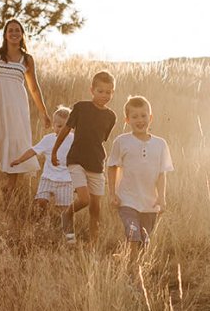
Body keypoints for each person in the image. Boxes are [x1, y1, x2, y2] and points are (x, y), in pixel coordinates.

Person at [0, 18, 51, 192]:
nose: (14, 33)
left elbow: (34, 88)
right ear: (5, 34)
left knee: (15, 142)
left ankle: (9, 188)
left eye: (17, 30)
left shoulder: (27, 59)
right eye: (10, 30)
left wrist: (44, 112)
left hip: (16, 106)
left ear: (22, 34)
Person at [51, 71, 116, 244]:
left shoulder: (111, 116)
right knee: (85, 199)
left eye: (108, 92)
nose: (104, 95)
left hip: (96, 163)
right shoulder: (80, 107)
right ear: (92, 90)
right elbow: (65, 130)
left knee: (95, 208)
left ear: (113, 93)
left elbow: (101, 139)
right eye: (100, 91)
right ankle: (67, 214)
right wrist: (54, 151)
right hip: (76, 160)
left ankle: (93, 245)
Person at [107, 95, 174, 248]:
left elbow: (161, 174)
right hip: (127, 200)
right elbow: (112, 167)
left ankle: (134, 264)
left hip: (150, 202)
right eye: (134, 116)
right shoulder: (121, 141)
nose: (140, 120)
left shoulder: (160, 144)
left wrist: (162, 197)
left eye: (143, 116)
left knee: (144, 240)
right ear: (127, 120)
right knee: (133, 234)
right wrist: (112, 193)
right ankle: (132, 270)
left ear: (150, 118)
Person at [12, 106, 74, 215]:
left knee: (64, 210)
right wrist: (19, 160)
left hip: (66, 180)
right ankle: (40, 220)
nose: (62, 130)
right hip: (48, 178)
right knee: (41, 201)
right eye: (59, 126)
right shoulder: (48, 139)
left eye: (65, 127)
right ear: (53, 126)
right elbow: (33, 151)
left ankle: (62, 227)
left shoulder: (73, 139)